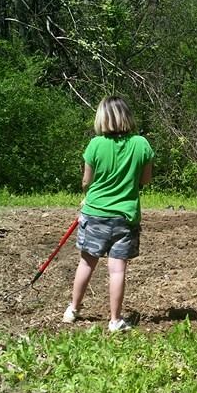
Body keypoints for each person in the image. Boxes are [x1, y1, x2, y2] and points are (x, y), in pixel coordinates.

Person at [63, 96, 154, 332]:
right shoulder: (141, 144)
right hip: (125, 217)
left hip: (94, 213)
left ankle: (73, 309)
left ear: (102, 118)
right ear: (127, 116)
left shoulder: (95, 145)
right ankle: (115, 320)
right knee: (117, 269)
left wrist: (89, 194)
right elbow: (145, 180)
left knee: (86, 263)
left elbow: (86, 181)